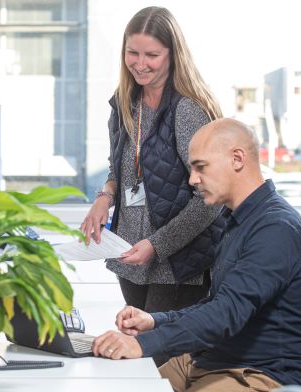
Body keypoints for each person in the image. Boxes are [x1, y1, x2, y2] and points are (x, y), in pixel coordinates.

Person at [91, 118, 301, 391]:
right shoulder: (238, 219)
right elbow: (216, 303)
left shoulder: (276, 228)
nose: (193, 179)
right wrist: (155, 321)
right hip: (213, 358)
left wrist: (140, 344)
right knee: (113, 380)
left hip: (259, 373)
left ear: (237, 159)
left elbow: (226, 314)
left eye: (201, 167)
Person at [81, 6, 223, 316]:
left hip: (178, 263)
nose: (140, 64)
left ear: (173, 55)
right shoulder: (124, 103)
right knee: (138, 351)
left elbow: (212, 199)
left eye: (152, 55)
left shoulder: (187, 111)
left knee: (160, 359)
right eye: (133, 53)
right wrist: (104, 197)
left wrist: (157, 245)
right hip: (130, 254)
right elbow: (117, 168)